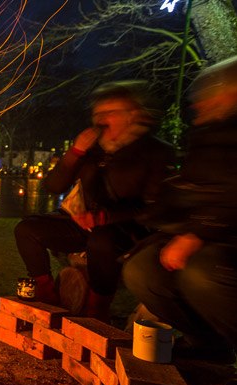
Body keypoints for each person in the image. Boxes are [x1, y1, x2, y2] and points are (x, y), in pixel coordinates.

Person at [13, 81, 175, 321]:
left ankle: (96, 309)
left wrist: (105, 217)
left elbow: (155, 207)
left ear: (133, 115)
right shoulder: (93, 150)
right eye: (98, 113)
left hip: (125, 230)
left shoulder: (154, 151)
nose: (101, 119)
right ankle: (48, 298)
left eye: (111, 112)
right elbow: (53, 186)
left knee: (102, 240)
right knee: (27, 229)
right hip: (85, 224)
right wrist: (75, 152)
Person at [123, 55, 237, 362]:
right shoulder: (207, 135)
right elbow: (194, 184)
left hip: (227, 236)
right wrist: (161, 211)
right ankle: (207, 344)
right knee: (142, 270)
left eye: (211, 94)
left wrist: (198, 232)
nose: (200, 104)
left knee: (200, 274)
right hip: (204, 230)